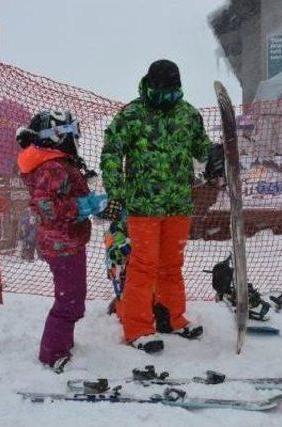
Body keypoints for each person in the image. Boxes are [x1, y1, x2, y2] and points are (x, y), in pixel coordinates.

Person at [100, 59, 224, 353]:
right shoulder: (132, 115)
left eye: (172, 90)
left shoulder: (188, 114)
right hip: (143, 206)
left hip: (178, 204)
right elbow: (111, 154)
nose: (167, 96)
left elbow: (199, 146)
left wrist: (215, 154)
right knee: (143, 267)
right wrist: (116, 193)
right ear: (150, 84)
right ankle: (138, 328)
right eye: (162, 90)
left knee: (171, 266)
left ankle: (171, 318)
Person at [16, 110, 108, 373]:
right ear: (57, 136)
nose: (75, 139)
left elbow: (61, 194)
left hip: (66, 241)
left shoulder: (57, 162)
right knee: (70, 301)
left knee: (73, 298)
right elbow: (45, 205)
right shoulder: (52, 166)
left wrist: (89, 199)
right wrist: (84, 205)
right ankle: (52, 353)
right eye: (72, 133)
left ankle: (62, 343)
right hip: (61, 243)